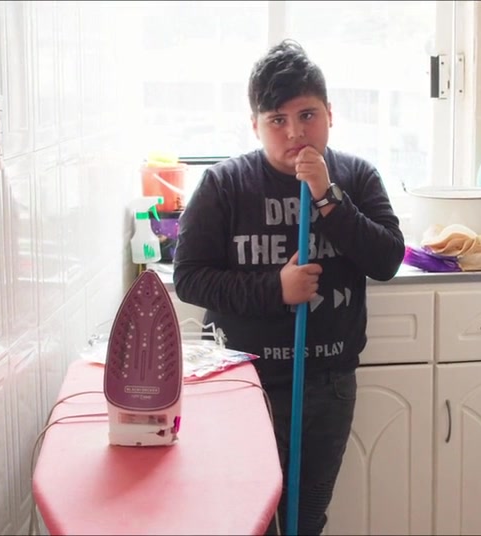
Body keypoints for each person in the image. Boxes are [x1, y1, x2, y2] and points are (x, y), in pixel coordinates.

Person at [171, 39, 406, 535]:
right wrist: (275, 289)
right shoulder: (224, 185)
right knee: (246, 518)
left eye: (307, 115)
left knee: (305, 518)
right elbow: (189, 277)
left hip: (328, 383)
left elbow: (387, 259)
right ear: (254, 125)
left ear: (330, 114)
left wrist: (328, 197)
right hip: (243, 381)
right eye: (277, 119)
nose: (295, 132)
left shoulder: (356, 176)